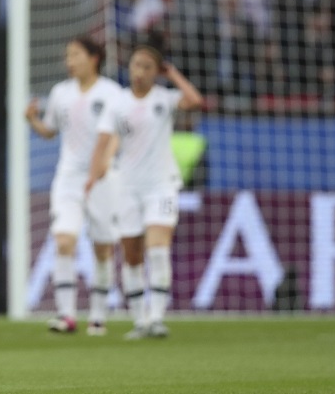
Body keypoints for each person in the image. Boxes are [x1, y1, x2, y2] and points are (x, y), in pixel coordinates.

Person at [86, 36, 203, 339]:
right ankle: (140, 321)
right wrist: (93, 178)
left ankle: (156, 318)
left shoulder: (164, 98)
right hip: (127, 187)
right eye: (136, 64)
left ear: (156, 71)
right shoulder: (118, 103)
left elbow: (195, 100)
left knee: (158, 249)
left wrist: (173, 74)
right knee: (132, 255)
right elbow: (103, 144)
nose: (139, 71)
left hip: (161, 185)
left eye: (147, 66)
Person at [25, 36, 122, 336]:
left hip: (103, 178)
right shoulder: (60, 93)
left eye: (76, 54)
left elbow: (118, 133)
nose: (69, 60)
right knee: (64, 240)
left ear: (93, 58)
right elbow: (51, 131)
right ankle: (66, 315)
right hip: (68, 177)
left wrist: (106, 161)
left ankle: (97, 316)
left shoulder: (112, 92)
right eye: (67, 55)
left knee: (102, 247)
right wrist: (32, 120)